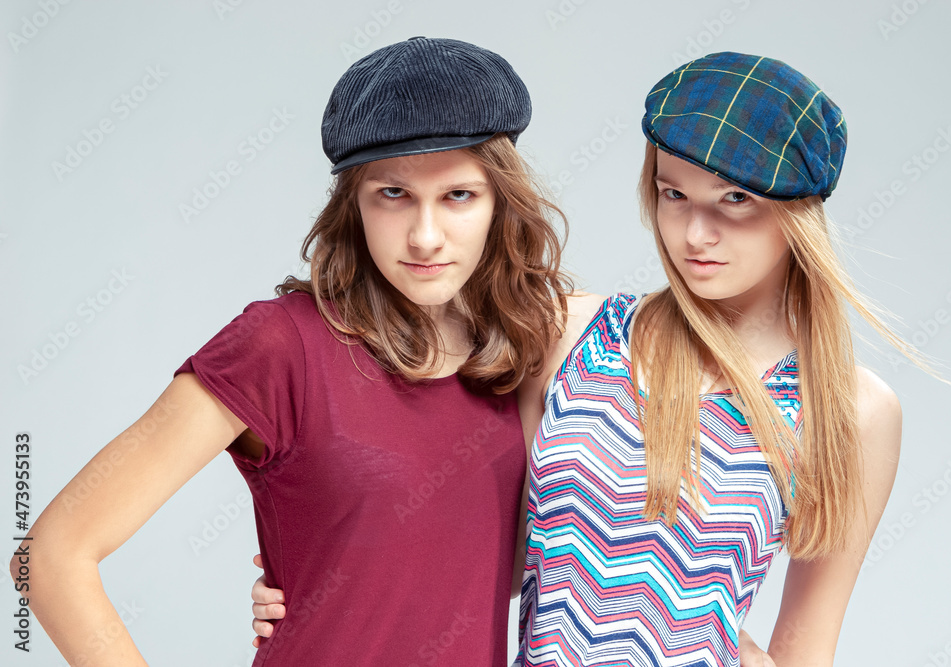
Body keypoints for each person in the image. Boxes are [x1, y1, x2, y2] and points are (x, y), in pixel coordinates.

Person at [251, 52, 912, 666]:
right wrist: (322, 579)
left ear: (797, 213)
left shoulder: (851, 410)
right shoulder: (569, 332)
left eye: (734, 200)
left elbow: (806, 645)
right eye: (673, 193)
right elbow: (482, 552)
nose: (694, 233)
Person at [12, 36, 575, 666]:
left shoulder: (522, 355)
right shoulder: (282, 346)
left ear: (502, 203)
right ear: (353, 203)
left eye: (458, 196)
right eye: (393, 194)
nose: (424, 236)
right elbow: (50, 556)